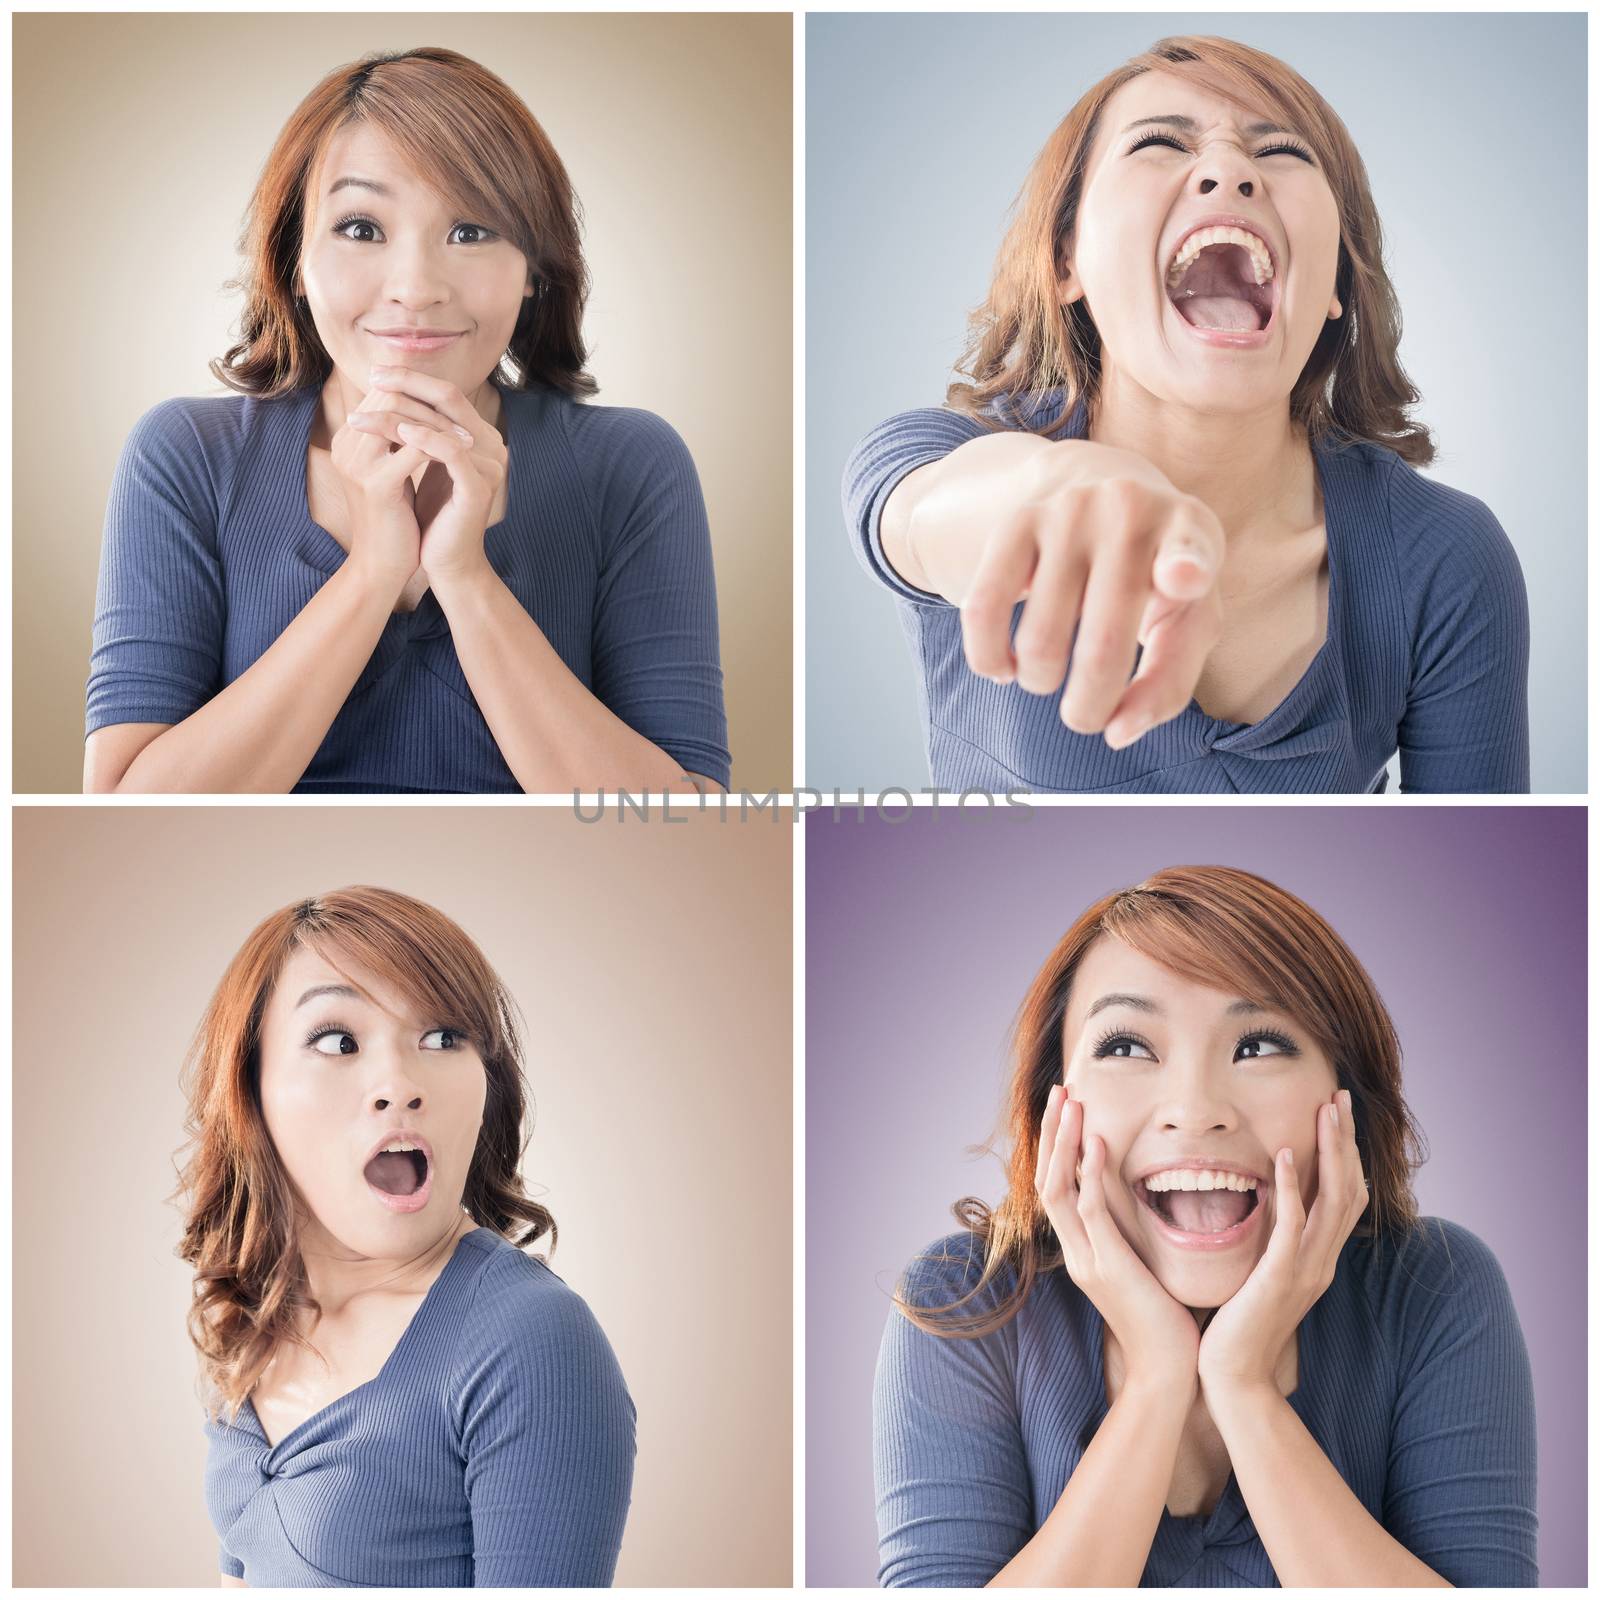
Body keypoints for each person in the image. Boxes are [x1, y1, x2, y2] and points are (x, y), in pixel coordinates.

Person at [844, 36, 1528, 794]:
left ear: (1336, 274)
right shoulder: (942, 453)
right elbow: (913, 515)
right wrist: (1049, 490)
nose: (1229, 170)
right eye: (1161, 142)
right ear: (1067, 259)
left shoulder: (1448, 559)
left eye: (1282, 153)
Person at [86, 47, 729, 794]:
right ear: (294, 257)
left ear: (534, 271)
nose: (416, 287)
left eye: (471, 230)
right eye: (361, 228)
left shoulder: (631, 464)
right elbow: (124, 809)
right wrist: (371, 573)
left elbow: (684, 824)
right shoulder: (187, 455)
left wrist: (465, 577)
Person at [874, 866, 1537, 1586]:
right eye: (1126, 1046)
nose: (1194, 1109)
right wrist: (1160, 1377)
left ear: (1345, 1098)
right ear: (1053, 1104)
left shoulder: (1433, 1288)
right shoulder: (964, 1304)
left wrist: (1241, 1384)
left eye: (1259, 1045)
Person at [177, 887, 634, 1585]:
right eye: (338, 1041)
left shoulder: (531, 1339)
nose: (398, 1083)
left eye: (443, 1038)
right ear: (251, 1089)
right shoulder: (258, 1314)